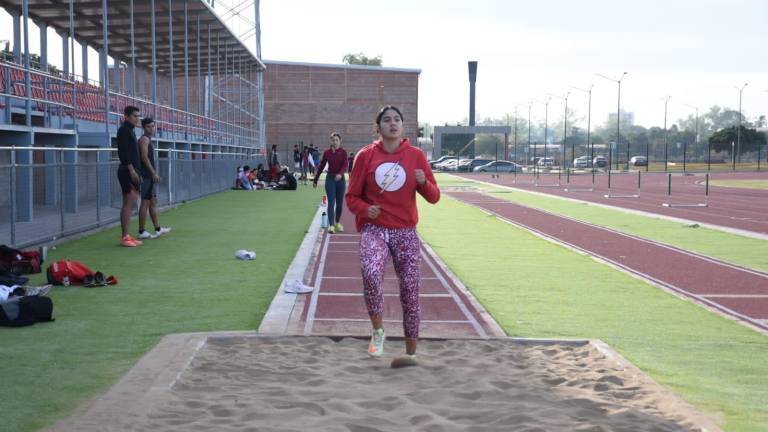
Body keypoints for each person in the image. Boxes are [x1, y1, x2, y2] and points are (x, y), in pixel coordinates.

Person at [346, 105, 440, 368]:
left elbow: (434, 197)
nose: (392, 124)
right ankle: (378, 331)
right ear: (378, 128)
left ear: (403, 126)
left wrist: (423, 182)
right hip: (375, 229)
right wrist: (366, 209)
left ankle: (411, 352)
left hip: (405, 232)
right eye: (386, 120)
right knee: (371, 272)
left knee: (410, 290)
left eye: (397, 119)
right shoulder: (365, 156)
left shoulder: (416, 156)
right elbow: (351, 197)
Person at [116, 106, 143, 247]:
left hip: (133, 171)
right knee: (128, 203)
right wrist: (132, 170)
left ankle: (127, 235)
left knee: (131, 203)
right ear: (126, 116)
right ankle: (125, 237)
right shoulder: (123, 130)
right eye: (134, 116)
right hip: (127, 171)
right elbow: (123, 152)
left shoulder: (130, 130)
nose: (137, 118)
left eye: (138, 116)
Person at [313, 133, 348, 233]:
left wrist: (340, 174)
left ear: (340, 141)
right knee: (331, 202)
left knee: (340, 204)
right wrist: (315, 179)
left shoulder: (343, 152)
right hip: (330, 179)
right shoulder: (327, 153)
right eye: (333, 140)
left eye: (337, 140)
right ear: (330, 141)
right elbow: (321, 166)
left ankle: (337, 223)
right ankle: (331, 225)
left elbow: (345, 165)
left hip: (340, 180)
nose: (335, 142)